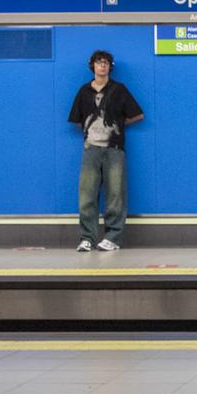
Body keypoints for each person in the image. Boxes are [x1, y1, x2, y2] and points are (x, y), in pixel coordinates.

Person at [67, 50, 144, 252]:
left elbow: (137, 115)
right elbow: (76, 120)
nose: (103, 66)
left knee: (116, 194)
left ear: (111, 66)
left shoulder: (119, 90)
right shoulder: (84, 92)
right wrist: (92, 132)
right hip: (91, 148)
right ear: (92, 66)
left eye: (106, 63)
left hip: (114, 149)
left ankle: (113, 238)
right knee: (87, 195)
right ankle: (87, 238)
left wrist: (116, 127)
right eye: (99, 62)